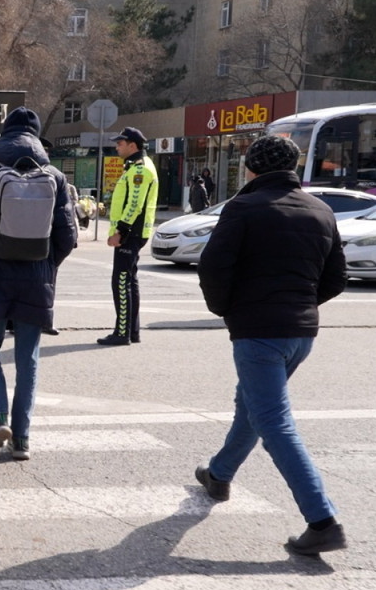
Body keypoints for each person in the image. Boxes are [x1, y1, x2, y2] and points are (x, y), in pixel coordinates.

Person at [195, 135, 348, 556]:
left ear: (252, 168)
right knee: (253, 406)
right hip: (301, 333)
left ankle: (323, 520)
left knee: (274, 422)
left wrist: (228, 309)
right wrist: (300, 305)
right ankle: (219, 474)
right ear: (293, 167)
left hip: (258, 331)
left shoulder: (243, 207)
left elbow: (213, 267)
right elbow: (337, 277)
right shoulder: (320, 210)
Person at [0, 107, 75, 460]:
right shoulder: (55, 177)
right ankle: (21, 439)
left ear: (4, 134)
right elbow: (68, 237)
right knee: (28, 358)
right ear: (37, 138)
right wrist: (47, 265)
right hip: (36, 280)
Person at [98, 126, 158, 346]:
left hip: (131, 233)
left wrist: (120, 232)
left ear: (132, 145)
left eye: (120, 143)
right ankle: (132, 331)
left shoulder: (140, 169)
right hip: (134, 232)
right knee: (129, 280)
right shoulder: (135, 166)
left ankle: (122, 333)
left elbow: (134, 204)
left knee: (121, 282)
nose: (117, 147)